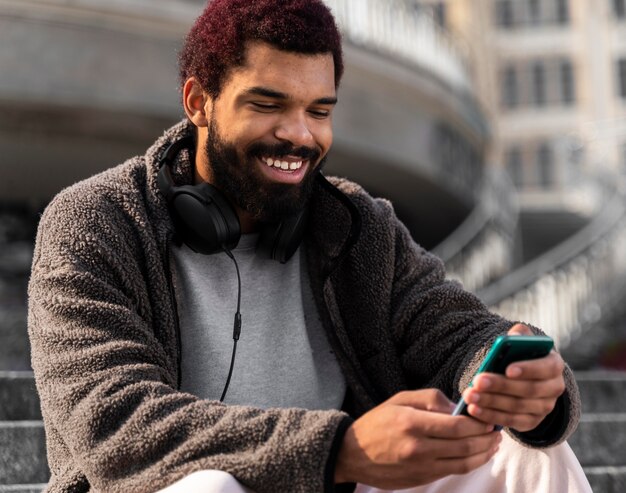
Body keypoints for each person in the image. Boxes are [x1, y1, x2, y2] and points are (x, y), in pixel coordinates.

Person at [27, 1, 590, 492]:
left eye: (319, 111)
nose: (300, 135)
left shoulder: (357, 224)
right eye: (268, 105)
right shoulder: (96, 222)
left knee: (531, 455)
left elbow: (456, 330)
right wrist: (340, 449)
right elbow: (114, 425)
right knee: (208, 486)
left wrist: (515, 382)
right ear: (199, 101)